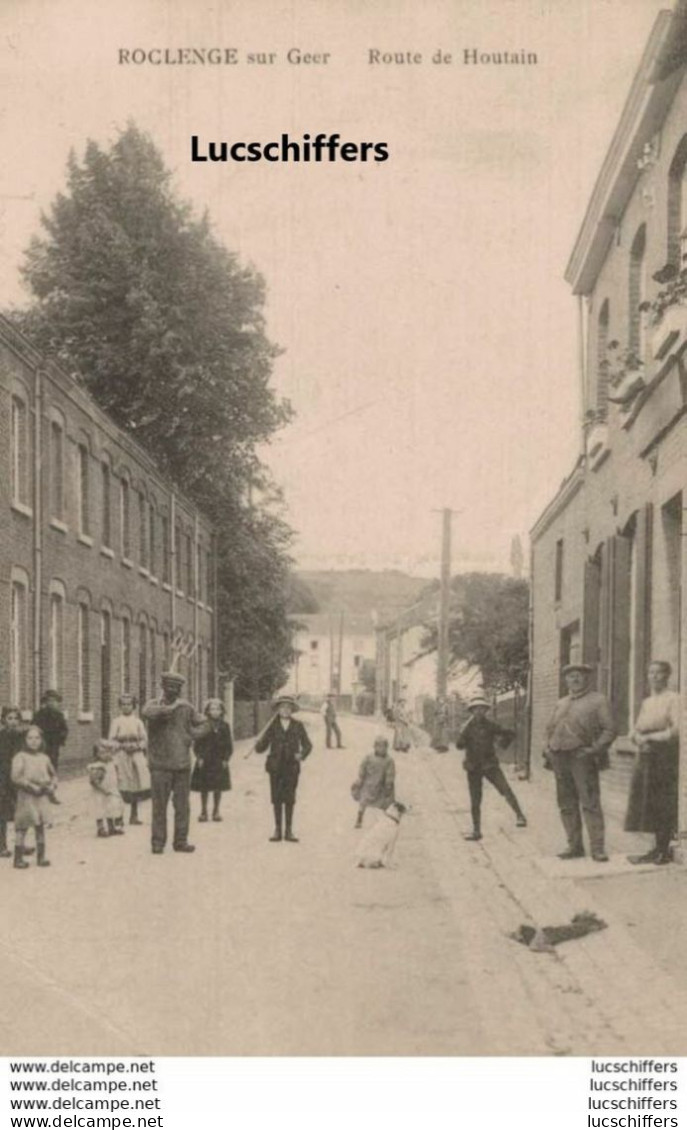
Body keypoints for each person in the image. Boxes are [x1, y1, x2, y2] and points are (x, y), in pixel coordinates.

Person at [544, 662, 615, 863]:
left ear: (587, 678)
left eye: (579, 675)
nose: (574, 679)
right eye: (570, 676)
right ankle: (574, 846)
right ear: (565, 680)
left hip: (581, 758)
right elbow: (549, 728)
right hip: (559, 758)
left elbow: (610, 730)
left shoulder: (598, 700)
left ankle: (597, 848)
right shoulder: (561, 702)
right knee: (566, 804)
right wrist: (547, 747)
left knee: (590, 802)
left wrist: (593, 750)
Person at [141, 672, 206, 855]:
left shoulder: (186, 707)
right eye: (169, 687)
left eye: (176, 688)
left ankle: (181, 841)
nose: (173, 691)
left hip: (182, 765)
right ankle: (158, 842)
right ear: (163, 687)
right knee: (159, 806)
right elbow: (147, 714)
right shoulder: (152, 705)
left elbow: (203, 723)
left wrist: (191, 736)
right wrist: (168, 709)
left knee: (182, 806)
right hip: (159, 765)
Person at [625, 660, 679, 866]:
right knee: (647, 802)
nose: (654, 677)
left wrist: (649, 738)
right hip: (646, 756)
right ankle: (656, 848)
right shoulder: (647, 702)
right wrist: (635, 736)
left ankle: (664, 849)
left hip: (664, 756)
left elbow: (675, 731)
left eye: (659, 673)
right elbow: (637, 727)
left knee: (662, 801)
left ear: (667, 676)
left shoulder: (674, 699)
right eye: (651, 673)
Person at [456, 695, 527, 840]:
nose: (479, 711)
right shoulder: (467, 727)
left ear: (485, 711)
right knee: (475, 799)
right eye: (476, 709)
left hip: (490, 765)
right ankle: (476, 831)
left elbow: (510, 733)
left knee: (505, 789)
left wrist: (502, 744)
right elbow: (459, 745)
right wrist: (462, 732)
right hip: (473, 767)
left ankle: (520, 816)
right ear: (472, 711)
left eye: (482, 709)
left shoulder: (490, 725)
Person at [255, 695, 312, 842]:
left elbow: (308, 745)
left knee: (290, 798)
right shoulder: (272, 726)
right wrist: (258, 742)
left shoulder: (297, 725)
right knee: (276, 798)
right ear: (278, 710)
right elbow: (261, 748)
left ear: (292, 710)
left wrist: (302, 754)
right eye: (282, 707)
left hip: (291, 767)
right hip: (275, 767)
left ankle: (289, 831)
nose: (285, 710)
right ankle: (277, 830)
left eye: (288, 707)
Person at [11, 725, 57, 869]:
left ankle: (41, 857)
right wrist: (30, 786)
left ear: (42, 740)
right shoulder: (20, 757)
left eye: (37, 738)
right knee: (22, 826)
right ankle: (18, 858)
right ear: (24, 740)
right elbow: (15, 777)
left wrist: (52, 786)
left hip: (42, 796)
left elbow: (53, 775)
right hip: (27, 796)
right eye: (30, 738)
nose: (34, 741)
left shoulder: (44, 758)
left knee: (40, 825)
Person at [109, 693, 151, 825]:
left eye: (129, 704)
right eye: (123, 705)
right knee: (121, 784)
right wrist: (122, 746)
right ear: (120, 706)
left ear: (134, 706)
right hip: (121, 755)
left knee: (135, 785)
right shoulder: (116, 722)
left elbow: (145, 739)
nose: (126, 707)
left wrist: (138, 746)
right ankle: (119, 816)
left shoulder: (138, 722)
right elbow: (111, 740)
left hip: (136, 755)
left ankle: (134, 815)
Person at [190, 698, 234, 822]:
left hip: (219, 760)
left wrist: (226, 758)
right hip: (205, 759)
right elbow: (197, 744)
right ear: (208, 711)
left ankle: (216, 811)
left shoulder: (225, 726)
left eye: (218, 709)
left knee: (217, 786)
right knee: (204, 787)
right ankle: (203, 811)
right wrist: (199, 757)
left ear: (222, 711)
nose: (215, 711)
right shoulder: (203, 725)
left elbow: (229, 745)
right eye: (212, 709)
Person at [351, 735, 396, 829]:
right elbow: (362, 767)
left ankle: (384, 821)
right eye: (378, 746)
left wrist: (388, 784)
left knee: (384, 803)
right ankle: (359, 818)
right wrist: (361, 777)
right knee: (363, 801)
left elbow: (390, 773)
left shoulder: (389, 761)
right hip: (368, 784)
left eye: (383, 747)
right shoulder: (368, 757)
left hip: (381, 786)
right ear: (374, 747)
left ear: (387, 748)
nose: (381, 749)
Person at [0, 706, 25, 859]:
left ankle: (20, 844)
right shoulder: (1, 737)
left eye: (16, 718)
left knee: (21, 813)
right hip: (3, 779)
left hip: (19, 779)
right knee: (2, 813)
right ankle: (2, 845)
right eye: (10, 718)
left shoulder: (23, 737)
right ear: (3, 720)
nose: (13, 722)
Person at [88, 740, 125, 838]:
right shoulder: (98, 766)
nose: (106, 755)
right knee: (100, 810)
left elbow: (115, 775)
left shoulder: (111, 763)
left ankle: (111, 827)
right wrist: (103, 789)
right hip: (100, 792)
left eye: (108, 752)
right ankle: (100, 828)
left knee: (111, 809)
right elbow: (93, 781)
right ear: (96, 755)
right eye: (102, 753)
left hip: (110, 790)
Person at [32, 690, 69, 772]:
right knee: (41, 761)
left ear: (57, 703)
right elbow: (33, 727)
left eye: (54, 701)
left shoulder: (59, 715)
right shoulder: (40, 714)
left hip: (54, 743)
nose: (51, 703)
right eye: (49, 701)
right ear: (45, 702)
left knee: (53, 761)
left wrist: (61, 738)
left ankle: (52, 778)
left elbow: (64, 729)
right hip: (43, 742)